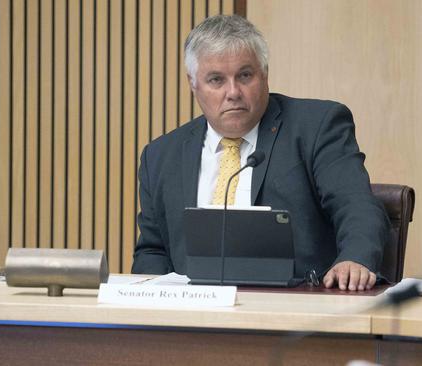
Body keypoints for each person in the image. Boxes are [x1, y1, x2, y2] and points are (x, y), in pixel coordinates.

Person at [131, 15, 389, 291]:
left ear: (264, 74)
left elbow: (356, 205)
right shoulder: (161, 157)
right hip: (196, 318)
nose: (233, 92)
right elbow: (152, 252)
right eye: (216, 80)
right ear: (193, 83)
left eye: (245, 75)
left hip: (295, 310)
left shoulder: (316, 127)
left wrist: (354, 258)